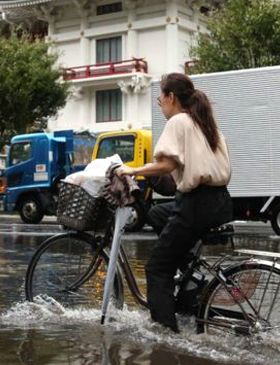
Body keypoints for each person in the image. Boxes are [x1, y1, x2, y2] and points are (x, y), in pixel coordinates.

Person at [116, 73, 233, 333]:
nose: (161, 105)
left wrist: (132, 171)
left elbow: (168, 164)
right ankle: (191, 277)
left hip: (196, 206)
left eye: (161, 99)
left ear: (171, 97)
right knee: (157, 214)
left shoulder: (179, 120)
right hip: (218, 202)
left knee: (157, 267)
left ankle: (166, 333)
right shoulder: (204, 122)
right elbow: (183, 171)